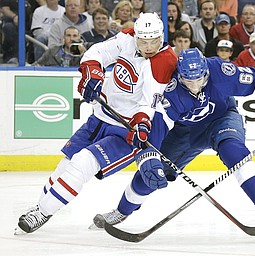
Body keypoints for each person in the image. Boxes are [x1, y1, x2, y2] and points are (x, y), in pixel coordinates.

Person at [91, 47, 255, 243]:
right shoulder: (170, 91)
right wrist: (149, 156)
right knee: (149, 176)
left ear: (206, 70)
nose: (195, 86)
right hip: (185, 133)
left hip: (222, 120)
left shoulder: (222, 72)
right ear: (180, 75)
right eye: (189, 81)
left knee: (236, 153)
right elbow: (156, 128)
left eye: (200, 80)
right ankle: (120, 211)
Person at [15, 12, 177, 234]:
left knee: (83, 162)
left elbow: (149, 103)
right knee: (65, 165)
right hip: (101, 117)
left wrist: (141, 124)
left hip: (126, 130)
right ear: (136, 36)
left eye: (154, 41)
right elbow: (98, 51)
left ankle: (43, 212)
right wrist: (92, 72)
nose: (149, 46)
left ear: (162, 37)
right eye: (144, 40)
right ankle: (40, 207)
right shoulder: (127, 37)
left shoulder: (165, 61)